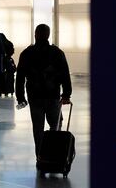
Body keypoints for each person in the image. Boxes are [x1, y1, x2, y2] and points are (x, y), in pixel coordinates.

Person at [15, 24, 72, 159]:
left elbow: (20, 77)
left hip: (35, 96)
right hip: (52, 95)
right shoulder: (57, 52)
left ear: (35, 34)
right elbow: (65, 74)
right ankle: (53, 154)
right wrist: (66, 94)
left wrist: (20, 97)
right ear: (48, 35)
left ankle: (40, 156)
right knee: (55, 125)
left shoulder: (27, 53)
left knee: (38, 128)